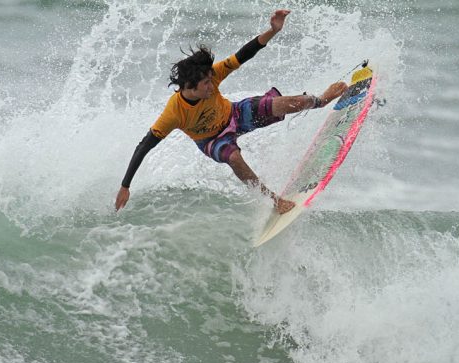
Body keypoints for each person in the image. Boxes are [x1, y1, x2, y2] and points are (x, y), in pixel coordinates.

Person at [115, 9, 347, 214]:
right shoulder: (173, 113)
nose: (211, 84)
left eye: (210, 80)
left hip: (235, 114)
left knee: (287, 102)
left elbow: (244, 53)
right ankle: (274, 201)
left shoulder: (211, 75)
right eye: (205, 84)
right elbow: (144, 146)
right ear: (189, 87)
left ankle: (322, 100)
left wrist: (272, 31)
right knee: (234, 158)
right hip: (211, 139)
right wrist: (125, 185)